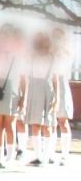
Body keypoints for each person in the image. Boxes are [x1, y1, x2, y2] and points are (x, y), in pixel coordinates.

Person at [0, 24, 25, 169]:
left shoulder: (18, 54)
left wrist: (24, 97)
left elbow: (23, 77)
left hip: (11, 87)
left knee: (9, 124)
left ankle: (9, 157)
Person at [24, 31, 59, 166]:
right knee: (35, 123)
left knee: (47, 124)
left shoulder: (52, 58)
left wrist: (57, 98)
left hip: (47, 89)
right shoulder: (31, 57)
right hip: (34, 88)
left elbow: (55, 80)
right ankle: (38, 156)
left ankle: (46, 155)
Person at [51, 27, 73, 166]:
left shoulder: (66, 53)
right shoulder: (49, 52)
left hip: (62, 87)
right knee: (51, 122)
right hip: (50, 85)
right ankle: (50, 153)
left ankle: (65, 154)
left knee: (62, 121)